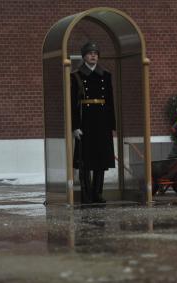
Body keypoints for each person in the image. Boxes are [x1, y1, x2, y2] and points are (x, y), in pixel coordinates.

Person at [71, 42, 116, 204]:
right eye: (90, 53)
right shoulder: (76, 75)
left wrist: (112, 125)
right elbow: (73, 103)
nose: (93, 55)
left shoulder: (106, 74)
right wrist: (74, 126)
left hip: (102, 122)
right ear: (84, 56)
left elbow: (110, 101)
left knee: (100, 161)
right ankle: (86, 194)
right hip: (86, 122)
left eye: (96, 53)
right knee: (85, 161)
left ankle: (98, 193)